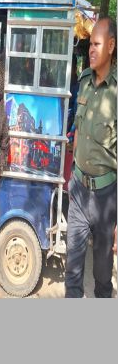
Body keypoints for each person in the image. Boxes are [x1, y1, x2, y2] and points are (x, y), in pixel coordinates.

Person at [65, 17, 117, 298]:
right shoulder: (84, 82)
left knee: (101, 278)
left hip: (107, 199)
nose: (91, 50)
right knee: (71, 273)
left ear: (110, 46)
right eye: (90, 45)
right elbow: (78, 132)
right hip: (79, 193)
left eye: (97, 44)